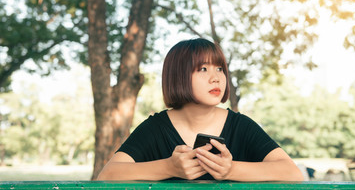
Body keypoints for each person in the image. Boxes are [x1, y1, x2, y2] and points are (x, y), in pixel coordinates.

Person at [97, 38, 304, 181]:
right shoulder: (156, 128)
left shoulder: (241, 125)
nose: (216, 77)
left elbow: (292, 172)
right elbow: (108, 174)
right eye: (203, 69)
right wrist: (169, 167)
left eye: (219, 69)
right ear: (178, 77)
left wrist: (231, 170)